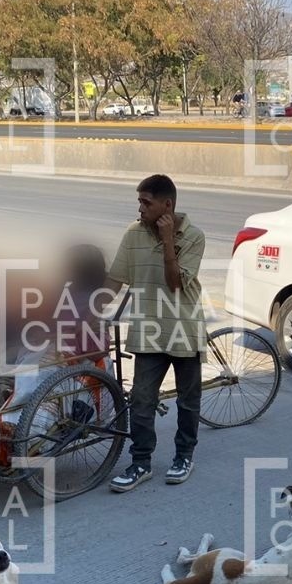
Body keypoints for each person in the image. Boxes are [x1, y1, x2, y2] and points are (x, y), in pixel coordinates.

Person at [107, 174, 206, 491]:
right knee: (142, 400)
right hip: (147, 329)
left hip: (184, 328)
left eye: (146, 202)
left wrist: (166, 240)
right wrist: (85, 312)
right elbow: (114, 281)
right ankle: (140, 463)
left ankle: (184, 456)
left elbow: (176, 284)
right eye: (139, 201)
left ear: (168, 205)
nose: (140, 208)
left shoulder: (194, 237)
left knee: (188, 401)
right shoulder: (133, 233)